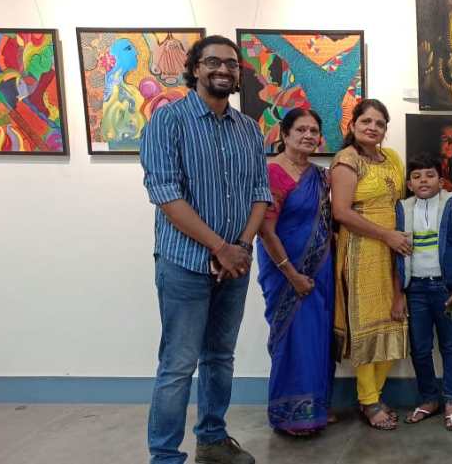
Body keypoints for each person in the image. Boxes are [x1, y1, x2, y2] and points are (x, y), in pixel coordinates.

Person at [140, 35, 267, 464]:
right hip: (185, 264)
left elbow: (260, 192)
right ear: (195, 68)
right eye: (213, 62)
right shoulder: (168, 121)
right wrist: (219, 247)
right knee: (178, 365)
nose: (223, 70)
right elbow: (165, 194)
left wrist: (241, 247)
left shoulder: (248, 128)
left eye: (231, 64)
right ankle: (165, 456)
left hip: (235, 266)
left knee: (220, 358)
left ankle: (212, 440)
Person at [329, 98, 409, 431]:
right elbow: (341, 212)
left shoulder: (392, 158)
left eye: (379, 123)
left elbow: (400, 202)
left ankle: (373, 395)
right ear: (353, 125)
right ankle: (369, 400)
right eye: (366, 121)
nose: (373, 128)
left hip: (394, 248)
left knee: (394, 320)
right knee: (366, 326)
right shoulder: (346, 160)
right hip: (362, 250)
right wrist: (385, 235)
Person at [255, 108, 336, 436]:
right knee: (293, 339)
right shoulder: (272, 172)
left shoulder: (321, 176)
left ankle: (316, 407)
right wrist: (291, 274)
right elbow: (265, 229)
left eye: (314, 131)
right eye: (301, 129)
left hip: (320, 270)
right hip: (286, 272)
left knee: (317, 337)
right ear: (284, 134)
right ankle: (290, 415)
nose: (308, 136)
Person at [395, 154, 452, 431]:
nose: (423, 181)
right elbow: (397, 257)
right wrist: (399, 294)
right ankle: (429, 399)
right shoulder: (403, 210)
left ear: (441, 181)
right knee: (419, 348)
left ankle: (451, 401)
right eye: (416, 177)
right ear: (409, 184)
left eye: (430, 175)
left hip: (445, 290)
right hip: (415, 291)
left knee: (450, 346)